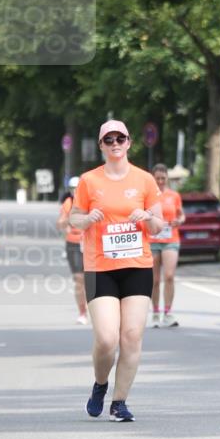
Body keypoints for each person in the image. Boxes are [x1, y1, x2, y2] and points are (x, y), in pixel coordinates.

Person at [69, 120, 164, 423]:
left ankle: (119, 402)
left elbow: (159, 225)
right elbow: (74, 218)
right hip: (100, 267)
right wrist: (87, 220)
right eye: (108, 139)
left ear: (129, 142)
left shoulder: (145, 180)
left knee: (132, 336)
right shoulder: (89, 181)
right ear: (101, 145)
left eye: (119, 138)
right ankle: (100, 384)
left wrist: (146, 216)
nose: (114, 143)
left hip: (137, 266)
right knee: (108, 339)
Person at [148, 164, 184, 327]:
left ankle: (168, 312)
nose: (161, 181)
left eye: (163, 178)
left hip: (171, 239)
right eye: (158, 178)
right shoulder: (148, 195)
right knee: (155, 280)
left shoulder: (174, 195)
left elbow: (181, 215)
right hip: (153, 240)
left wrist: (179, 221)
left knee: (169, 276)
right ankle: (155, 312)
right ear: (153, 178)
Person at [57, 176, 88, 325]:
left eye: (77, 188)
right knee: (79, 279)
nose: (75, 191)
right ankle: (82, 312)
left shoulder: (90, 202)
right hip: (74, 244)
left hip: (90, 243)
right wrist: (67, 222)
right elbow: (60, 222)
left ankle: (96, 310)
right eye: (72, 189)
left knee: (92, 280)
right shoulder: (68, 203)